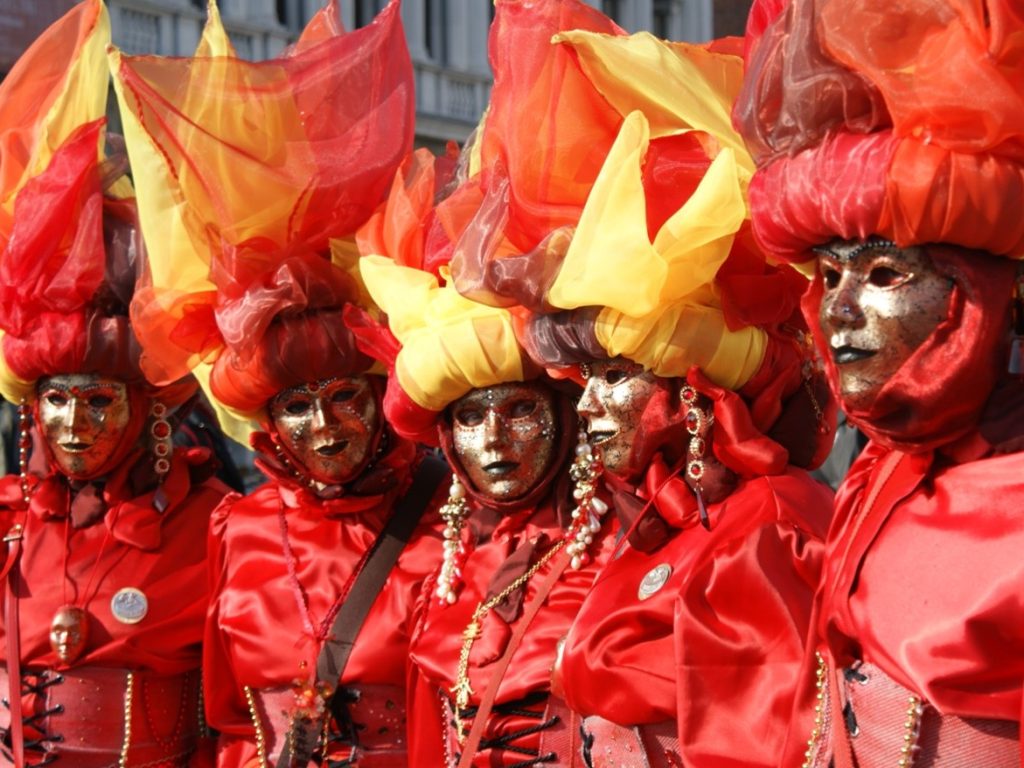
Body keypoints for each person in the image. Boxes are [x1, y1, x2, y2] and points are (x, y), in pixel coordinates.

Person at [475, 25, 836, 767]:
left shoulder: (764, 525)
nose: (585, 407)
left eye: (613, 376)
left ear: (694, 389)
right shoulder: (666, 521)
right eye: (583, 381)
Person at [112, 3, 446, 765]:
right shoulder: (239, 528)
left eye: (342, 399)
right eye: (296, 407)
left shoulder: (446, 522)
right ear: (267, 418)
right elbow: (229, 720)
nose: (323, 428)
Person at [734, 0, 1024, 764]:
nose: (840, 311)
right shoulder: (877, 478)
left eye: (885, 273)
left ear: (1001, 298)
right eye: (828, 277)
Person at [0, 2, 227, 765]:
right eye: (55, 399)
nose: (72, 422)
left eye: (99, 400)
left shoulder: (218, 530)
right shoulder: (6, 526)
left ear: (144, 408)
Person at [358, 142, 616, 768]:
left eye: (520, 411)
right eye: (469, 418)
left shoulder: (624, 546)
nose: (493, 441)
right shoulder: (447, 571)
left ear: (562, 412)